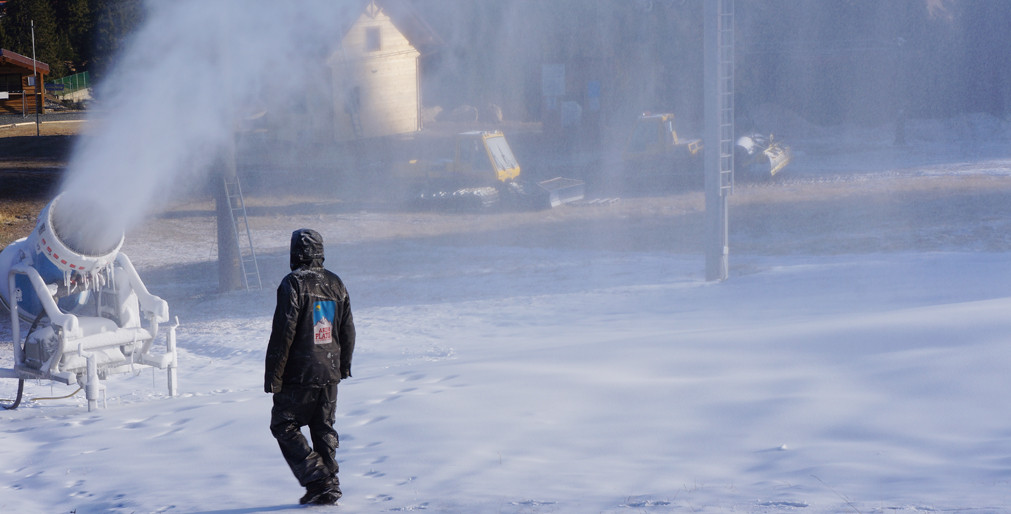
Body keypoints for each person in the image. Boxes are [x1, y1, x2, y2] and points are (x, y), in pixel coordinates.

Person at [265, 228, 355, 506]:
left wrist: (274, 376)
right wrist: (343, 366)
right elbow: (348, 329)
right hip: (329, 372)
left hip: (298, 373)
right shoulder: (336, 283)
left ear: (295, 253)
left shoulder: (293, 283)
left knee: (284, 425)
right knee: (323, 427)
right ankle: (329, 486)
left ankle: (319, 481)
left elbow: (284, 333)